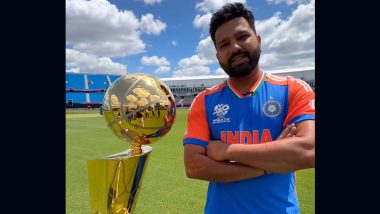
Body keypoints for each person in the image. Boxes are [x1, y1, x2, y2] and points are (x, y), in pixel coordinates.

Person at [183, 2, 315, 214]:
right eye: (224, 44)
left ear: (258, 40)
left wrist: (226, 151)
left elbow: (309, 151)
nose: (234, 47)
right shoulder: (204, 101)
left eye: (242, 37)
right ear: (218, 56)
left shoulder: (292, 89)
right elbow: (194, 166)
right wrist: (269, 165)